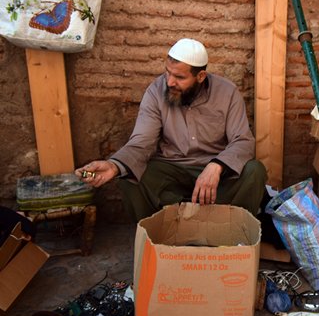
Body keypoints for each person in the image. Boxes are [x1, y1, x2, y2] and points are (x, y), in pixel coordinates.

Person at [75, 38, 267, 222]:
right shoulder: (155, 91)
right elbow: (141, 141)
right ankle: (161, 237)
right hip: (171, 170)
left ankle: (229, 233)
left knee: (254, 171)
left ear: (200, 77)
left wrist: (216, 166)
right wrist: (114, 165)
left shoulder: (227, 92)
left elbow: (243, 141)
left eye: (180, 77)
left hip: (216, 176)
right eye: (168, 73)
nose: (170, 82)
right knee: (129, 177)